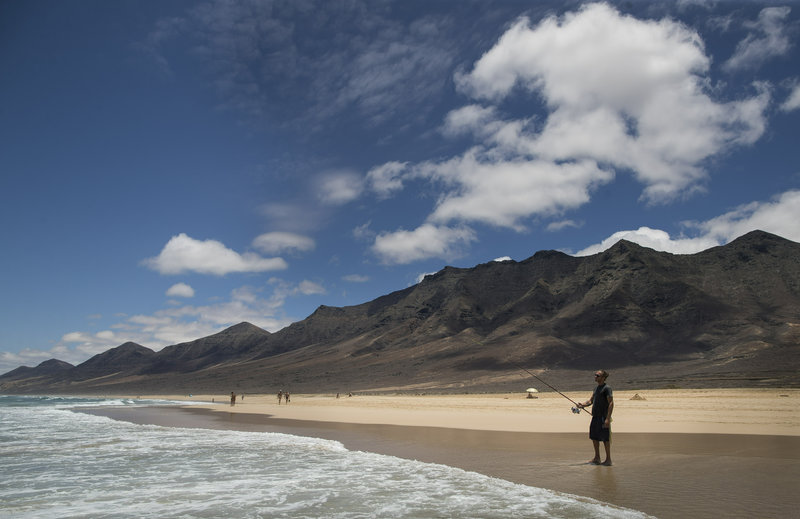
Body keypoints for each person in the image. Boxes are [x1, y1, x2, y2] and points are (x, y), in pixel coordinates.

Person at [577, 369, 613, 466]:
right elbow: (591, 401)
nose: (595, 377)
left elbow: (611, 403)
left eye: (597, 375)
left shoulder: (607, 388)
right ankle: (597, 458)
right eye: (595, 375)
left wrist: (607, 419)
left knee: (605, 439)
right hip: (595, 417)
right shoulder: (596, 388)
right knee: (594, 437)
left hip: (603, 417)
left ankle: (608, 460)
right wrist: (582, 405)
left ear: (603, 377)